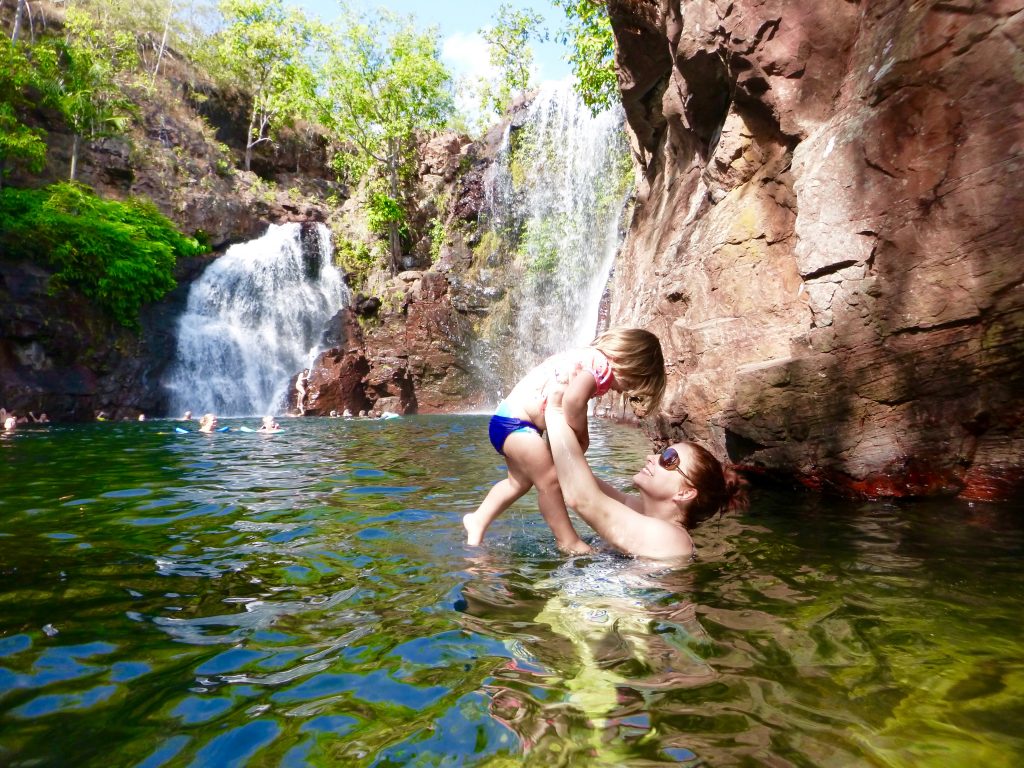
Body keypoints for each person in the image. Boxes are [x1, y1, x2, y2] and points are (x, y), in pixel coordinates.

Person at [463, 328, 667, 554]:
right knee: (550, 480)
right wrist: (582, 435)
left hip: (507, 419)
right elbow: (572, 400)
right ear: (626, 361)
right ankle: (568, 541)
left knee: (518, 483)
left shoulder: (584, 355)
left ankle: (478, 520)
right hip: (517, 424)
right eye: (630, 383)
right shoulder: (601, 368)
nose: (622, 391)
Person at [543, 372, 747, 560]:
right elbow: (572, 479)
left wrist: (554, 411)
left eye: (668, 459)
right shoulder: (642, 512)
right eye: (661, 453)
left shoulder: (675, 540)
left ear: (685, 493)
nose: (651, 457)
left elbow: (583, 498)